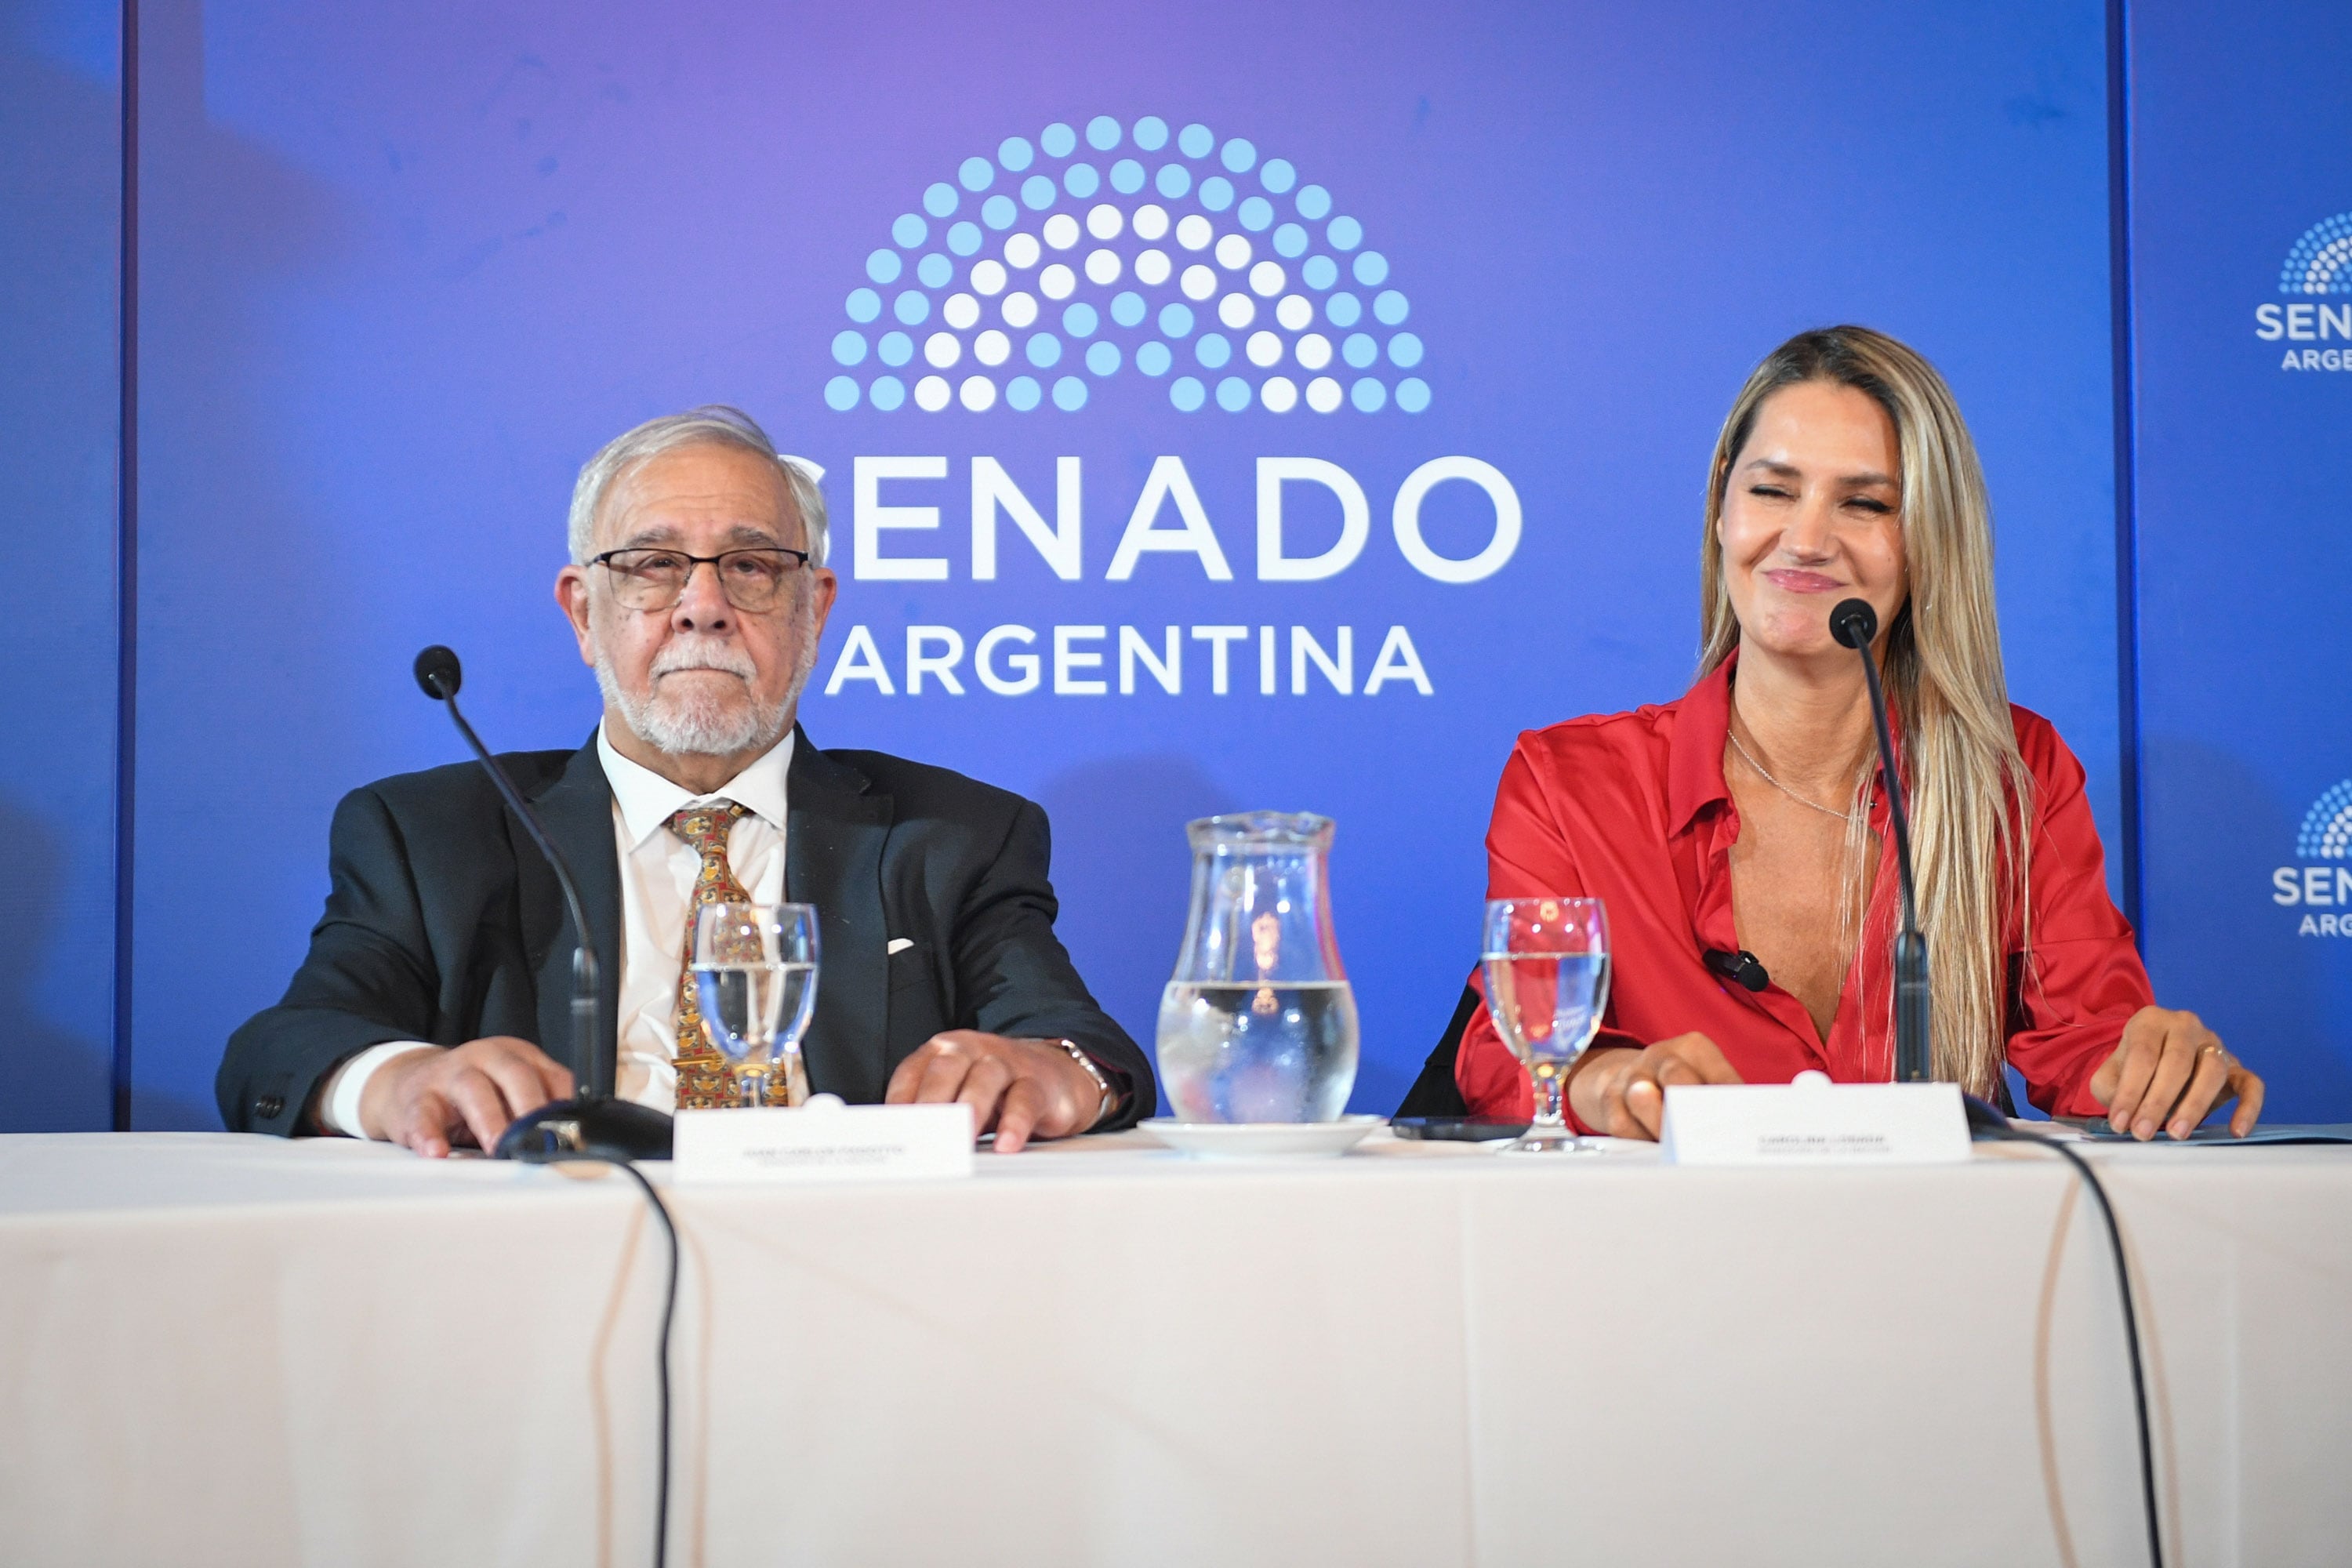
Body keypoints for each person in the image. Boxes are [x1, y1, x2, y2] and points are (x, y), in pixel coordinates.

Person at [219, 405, 1151, 1155]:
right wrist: (396, 1080)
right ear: (584, 612)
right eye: (655, 566)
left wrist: (1057, 1070)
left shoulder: (955, 839)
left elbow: (1077, 1041)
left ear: (813, 610)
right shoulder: (429, 836)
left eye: (749, 566)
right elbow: (284, 1047)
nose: (703, 606)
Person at [1449, 326, 2264, 1142]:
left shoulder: (2016, 773)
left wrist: (2154, 1064)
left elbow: (2089, 1037)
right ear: (1721, 510)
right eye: (1772, 491)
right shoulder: (1569, 781)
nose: (1805, 541)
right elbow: (1508, 1057)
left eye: (1865, 503)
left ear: (1929, 544)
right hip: (1672, 1251)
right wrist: (1608, 1081)